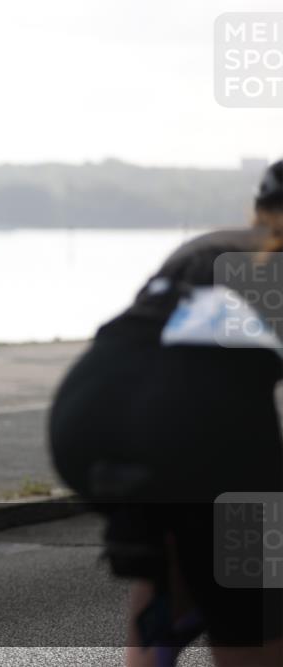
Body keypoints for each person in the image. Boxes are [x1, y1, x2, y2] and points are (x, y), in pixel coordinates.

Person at [49, 160, 283, 666]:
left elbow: (157, 352)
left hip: (85, 413)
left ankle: (165, 614)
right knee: (253, 616)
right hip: (189, 426)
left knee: (168, 571)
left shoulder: (204, 246)